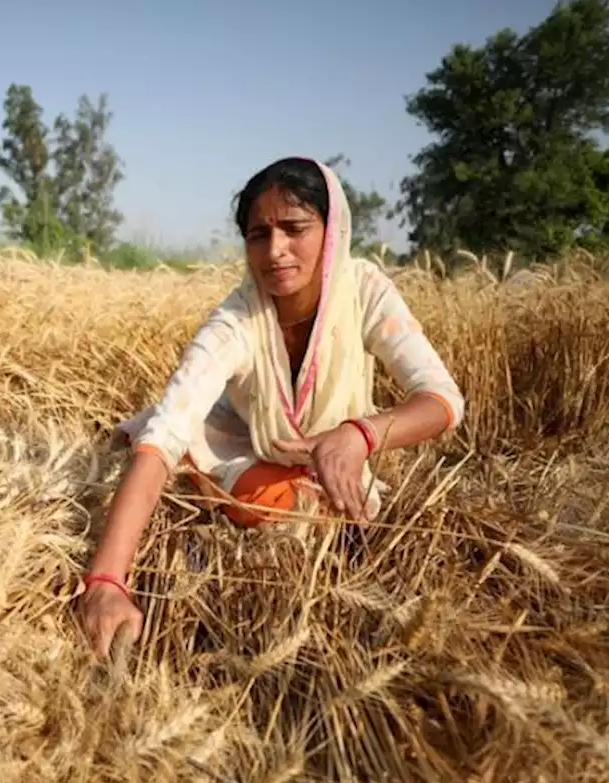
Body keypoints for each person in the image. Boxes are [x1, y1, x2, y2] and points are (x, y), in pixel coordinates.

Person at [76, 157, 466, 659]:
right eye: (259, 235)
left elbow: (441, 399)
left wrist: (359, 435)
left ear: (333, 231)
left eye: (295, 228)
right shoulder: (237, 319)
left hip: (339, 444)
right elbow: (167, 435)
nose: (276, 251)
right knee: (282, 507)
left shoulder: (365, 291)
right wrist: (107, 580)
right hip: (231, 437)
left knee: (355, 517)